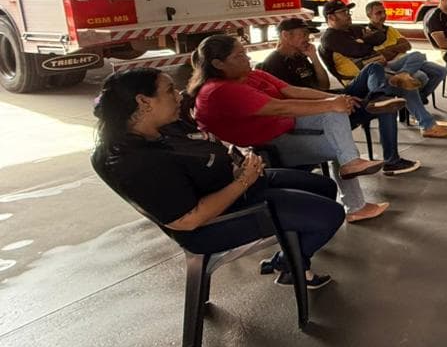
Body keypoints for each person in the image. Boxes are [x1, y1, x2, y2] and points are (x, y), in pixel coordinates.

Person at [91, 68, 344, 289]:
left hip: (231, 185)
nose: (179, 95)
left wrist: (239, 163)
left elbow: (206, 147)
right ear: (144, 102)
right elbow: (188, 220)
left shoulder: (166, 128)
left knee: (324, 187)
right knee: (331, 215)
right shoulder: (136, 161)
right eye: (169, 91)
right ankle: (289, 264)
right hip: (216, 222)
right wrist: (243, 181)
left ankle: (294, 254)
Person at [190, 35, 389, 223]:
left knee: (337, 117)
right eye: (239, 56)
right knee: (339, 144)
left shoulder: (251, 75)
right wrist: (331, 104)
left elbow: (294, 91)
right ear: (218, 64)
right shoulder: (219, 90)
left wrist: (333, 100)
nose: (247, 58)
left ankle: (351, 163)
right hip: (265, 148)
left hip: (283, 126)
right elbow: (279, 106)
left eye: (244, 52)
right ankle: (355, 202)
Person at [260, 18, 423, 174]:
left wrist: (314, 58)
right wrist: (334, 100)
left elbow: (324, 85)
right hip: (316, 112)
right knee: (387, 109)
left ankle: (378, 96)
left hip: (327, 98)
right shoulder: (273, 64)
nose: (307, 38)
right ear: (286, 35)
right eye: (302, 34)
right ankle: (392, 161)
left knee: (374, 68)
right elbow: (292, 100)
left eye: (307, 34)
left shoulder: (300, 57)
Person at [318, 0, 447, 139]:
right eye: (343, 12)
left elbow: (379, 36)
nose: (348, 15)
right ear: (331, 17)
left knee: (417, 56)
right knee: (408, 86)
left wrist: (365, 41)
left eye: (348, 11)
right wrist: (365, 42)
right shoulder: (330, 37)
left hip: (381, 65)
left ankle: (403, 75)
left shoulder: (351, 30)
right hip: (362, 79)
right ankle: (427, 125)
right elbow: (359, 50)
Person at [364, 1, 447, 98]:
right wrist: (397, 48)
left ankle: (420, 97)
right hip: (391, 65)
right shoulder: (367, 33)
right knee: (421, 76)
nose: (383, 15)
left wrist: (391, 49)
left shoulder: (390, 29)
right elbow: (381, 55)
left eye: (384, 12)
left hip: (408, 61)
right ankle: (408, 90)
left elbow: (407, 45)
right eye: (378, 13)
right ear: (369, 15)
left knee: (441, 71)